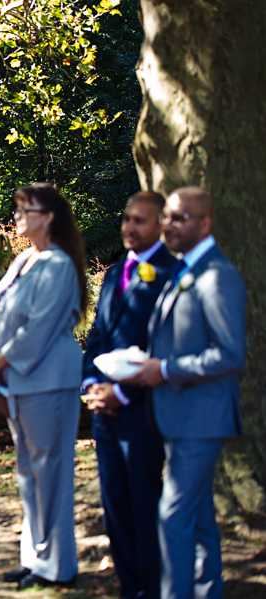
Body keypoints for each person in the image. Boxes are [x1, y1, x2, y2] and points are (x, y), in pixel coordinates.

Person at [124, 186, 246, 599]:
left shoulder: (217, 275)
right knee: (198, 520)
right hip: (176, 415)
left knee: (172, 517)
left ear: (204, 223)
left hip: (203, 417)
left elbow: (230, 355)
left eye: (180, 218)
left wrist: (165, 369)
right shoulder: (183, 269)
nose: (168, 225)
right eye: (167, 217)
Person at [0, 182, 87, 590]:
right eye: (17, 209)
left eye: (27, 209)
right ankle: (34, 558)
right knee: (27, 470)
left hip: (48, 380)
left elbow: (38, 328)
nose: (18, 216)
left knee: (50, 469)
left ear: (50, 217)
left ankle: (59, 566)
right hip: (18, 380)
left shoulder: (58, 265)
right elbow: (0, 316)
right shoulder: (24, 258)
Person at [82, 191, 176, 599]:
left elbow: (166, 345)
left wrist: (122, 393)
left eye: (140, 220)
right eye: (126, 219)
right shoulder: (113, 274)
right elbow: (98, 337)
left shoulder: (172, 274)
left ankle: (150, 587)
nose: (129, 227)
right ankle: (128, 586)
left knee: (143, 501)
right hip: (104, 410)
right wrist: (92, 386)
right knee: (114, 504)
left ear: (159, 225)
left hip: (144, 410)